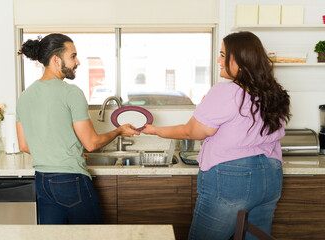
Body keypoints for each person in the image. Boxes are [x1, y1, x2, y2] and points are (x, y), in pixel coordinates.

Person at [141, 31, 291, 240]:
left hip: (232, 177)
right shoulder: (273, 93)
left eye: (223, 54)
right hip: (271, 175)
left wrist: (156, 130)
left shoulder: (227, 91)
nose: (218, 60)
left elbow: (191, 131)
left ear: (240, 59)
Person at [16, 33, 139, 225]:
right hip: (70, 181)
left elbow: (24, 144)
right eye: (73, 56)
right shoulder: (71, 92)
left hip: (42, 181)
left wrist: (64, 150)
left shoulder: (25, 96)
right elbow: (91, 143)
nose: (78, 62)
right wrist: (119, 131)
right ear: (56, 60)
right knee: (92, 236)